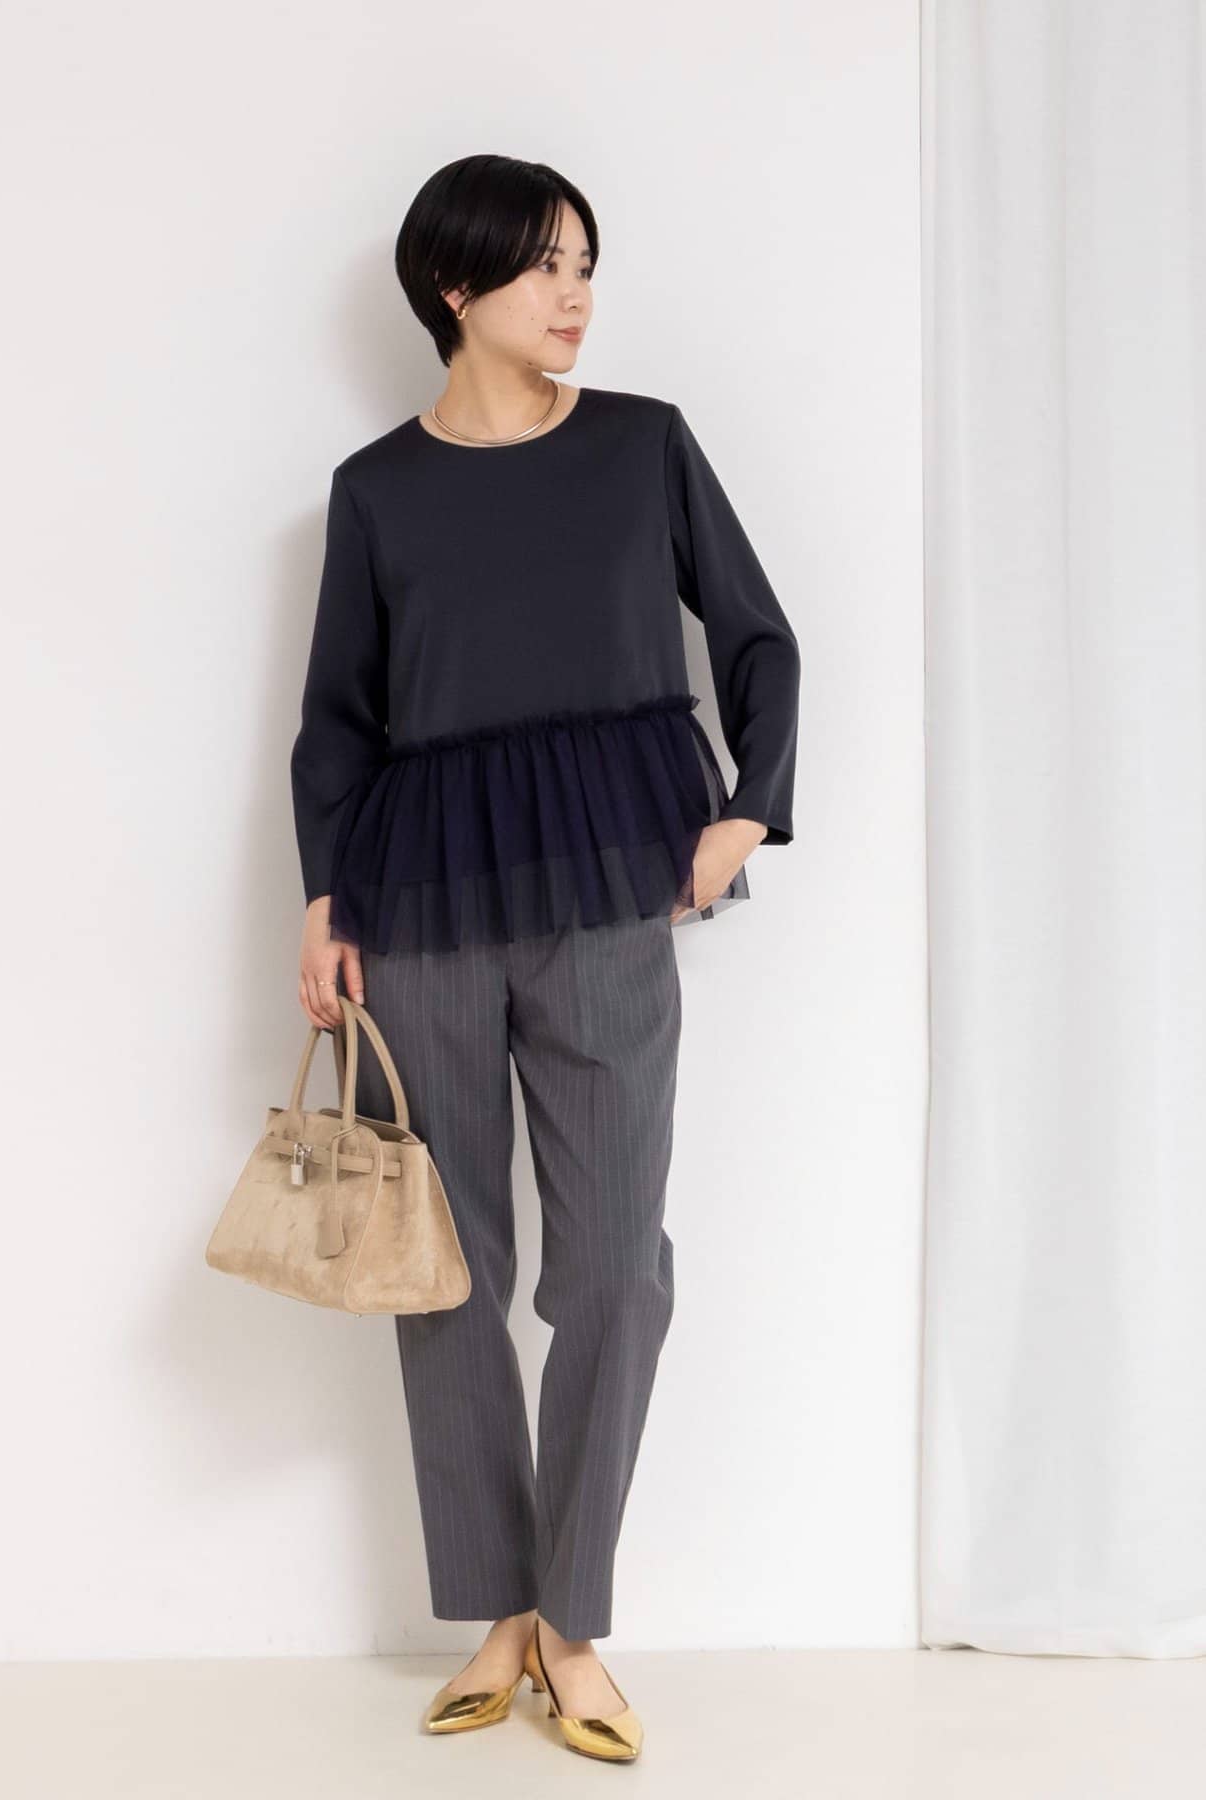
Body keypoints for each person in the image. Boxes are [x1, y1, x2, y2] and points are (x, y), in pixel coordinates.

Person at [288, 153, 800, 1762]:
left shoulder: (643, 447)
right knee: (444, 1273)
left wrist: (748, 810)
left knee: (613, 1273)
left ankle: (570, 1621)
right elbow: (337, 724)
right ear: (457, 287)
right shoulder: (377, 491)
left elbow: (759, 634)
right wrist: (322, 903)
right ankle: (498, 1611)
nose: (575, 293)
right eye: (541, 266)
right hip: (418, 908)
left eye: (585, 263)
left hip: (601, 899)